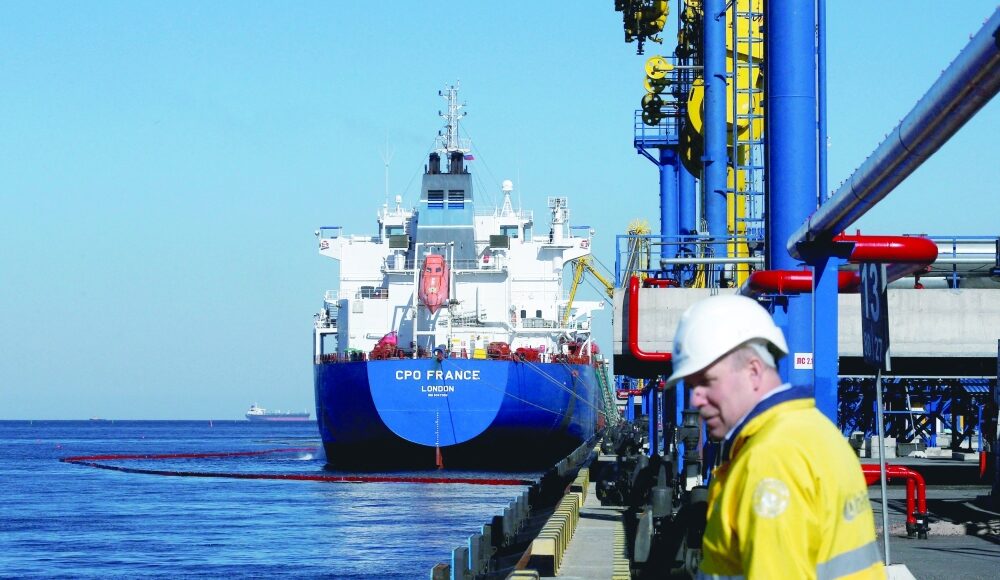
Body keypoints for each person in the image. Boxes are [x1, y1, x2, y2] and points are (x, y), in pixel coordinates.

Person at [666, 295, 884, 579]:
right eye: (692, 386)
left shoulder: (770, 458)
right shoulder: (814, 429)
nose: (695, 399)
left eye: (706, 382)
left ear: (753, 371)